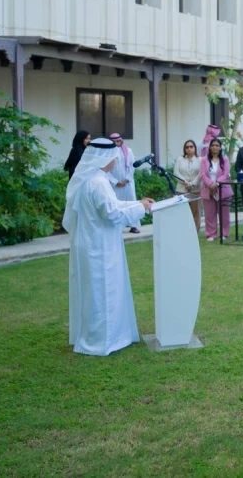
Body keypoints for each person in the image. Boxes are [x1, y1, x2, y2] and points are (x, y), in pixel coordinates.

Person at [64, 138, 154, 356]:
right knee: (103, 291)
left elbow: (115, 205)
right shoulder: (98, 183)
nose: (116, 161)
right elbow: (113, 213)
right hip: (99, 247)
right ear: (105, 158)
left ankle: (107, 335)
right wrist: (141, 209)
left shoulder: (93, 179)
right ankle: (101, 341)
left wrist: (137, 204)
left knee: (97, 291)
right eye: (114, 157)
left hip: (94, 243)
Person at [107, 133, 141, 234]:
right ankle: (119, 226)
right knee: (117, 204)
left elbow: (132, 166)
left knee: (131, 203)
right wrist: (115, 181)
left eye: (118, 141)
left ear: (121, 141)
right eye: (114, 142)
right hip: (115, 184)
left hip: (128, 183)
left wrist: (126, 179)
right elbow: (106, 170)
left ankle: (134, 226)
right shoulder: (107, 153)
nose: (116, 143)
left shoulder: (128, 151)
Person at [200, 138, 232, 241]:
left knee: (224, 213)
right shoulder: (204, 160)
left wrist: (217, 183)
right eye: (213, 145)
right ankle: (211, 234)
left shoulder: (225, 159)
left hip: (223, 189)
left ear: (220, 147)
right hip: (208, 189)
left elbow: (226, 173)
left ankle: (224, 233)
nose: (215, 147)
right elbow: (203, 174)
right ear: (209, 147)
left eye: (217, 145)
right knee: (209, 213)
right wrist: (210, 184)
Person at [173, 139, 202, 233]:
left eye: (191, 147)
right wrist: (184, 181)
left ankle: (195, 233)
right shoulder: (180, 159)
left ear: (195, 148)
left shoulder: (200, 160)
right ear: (184, 149)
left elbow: (201, 173)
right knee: (182, 212)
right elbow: (176, 172)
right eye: (187, 147)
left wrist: (192, 183)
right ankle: (183, 232)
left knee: (195, 213)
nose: (189, 149)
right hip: (181, 189)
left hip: (195, 190)